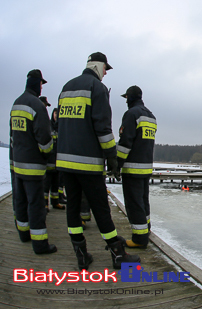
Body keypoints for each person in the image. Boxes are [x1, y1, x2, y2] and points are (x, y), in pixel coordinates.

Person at [57, 52, 139, 270]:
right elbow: (102, 128)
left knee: (72, 208)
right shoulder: (97, 88)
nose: (105, 74)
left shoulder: (66, 87)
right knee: (101, 209)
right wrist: (111, 156)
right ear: (99, 66)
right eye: (105, 69)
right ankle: (117, 253)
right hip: (88, 163)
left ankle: (81, 254)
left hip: (65, 162)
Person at [10, 69, 57, 254]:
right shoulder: (37, 106)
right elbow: (44, 138)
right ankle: (40, 244)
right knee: (36, 205)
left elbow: (13, 134)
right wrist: (47, 154)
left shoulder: (16, 104)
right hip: (34, 167)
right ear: (38, 84)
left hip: (18, 164)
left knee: (20, 201)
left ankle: (23, 234)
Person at [116, 85, 157, 249]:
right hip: (146, 168)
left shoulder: (131, 114)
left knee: (134, 204)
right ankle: (146, 229)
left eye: (126, 98)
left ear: (130, 98)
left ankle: (139, 239)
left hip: (132, 168)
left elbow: (125, 143)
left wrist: (116, 164)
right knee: (143, 201)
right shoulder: (151, 116)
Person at [41, 98, 65, 212]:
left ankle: (55, 202)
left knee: (56, 184)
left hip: (58, 162)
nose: (56, 115)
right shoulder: (48, 126)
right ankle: (44, 204)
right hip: (48, 161)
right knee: (46, 185)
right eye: (55, 113)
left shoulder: (60, 128)